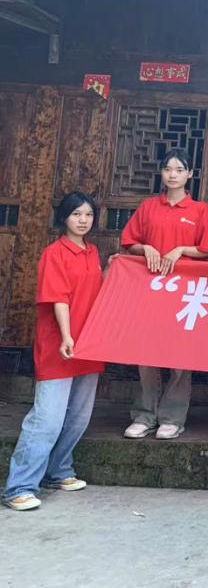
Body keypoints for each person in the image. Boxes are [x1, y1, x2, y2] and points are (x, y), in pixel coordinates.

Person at [3, 193, 106, 511]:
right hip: (59, 345)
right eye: (76, 214)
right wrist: (66, 335)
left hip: (89, 345)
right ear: (64, 218)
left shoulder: (93, 252)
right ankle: (19, 487)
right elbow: (58, 298)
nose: (83, 220)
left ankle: (59, 471)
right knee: (47, 419)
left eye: (88, 214)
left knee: (77, 417)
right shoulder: (54, 253)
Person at [121, 148, 208, 440]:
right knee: (146, 353)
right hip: (150, 292)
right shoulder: (149, 207)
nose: (173, 175)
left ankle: (173, 418)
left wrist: (181, 250)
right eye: (168, 169)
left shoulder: (200, 210)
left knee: (179, 357)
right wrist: (145, 248)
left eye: (179, 169)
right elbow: (129, 241)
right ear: (161, 173)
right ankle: (144, 415)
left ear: (190, 174)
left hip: (185, 295)